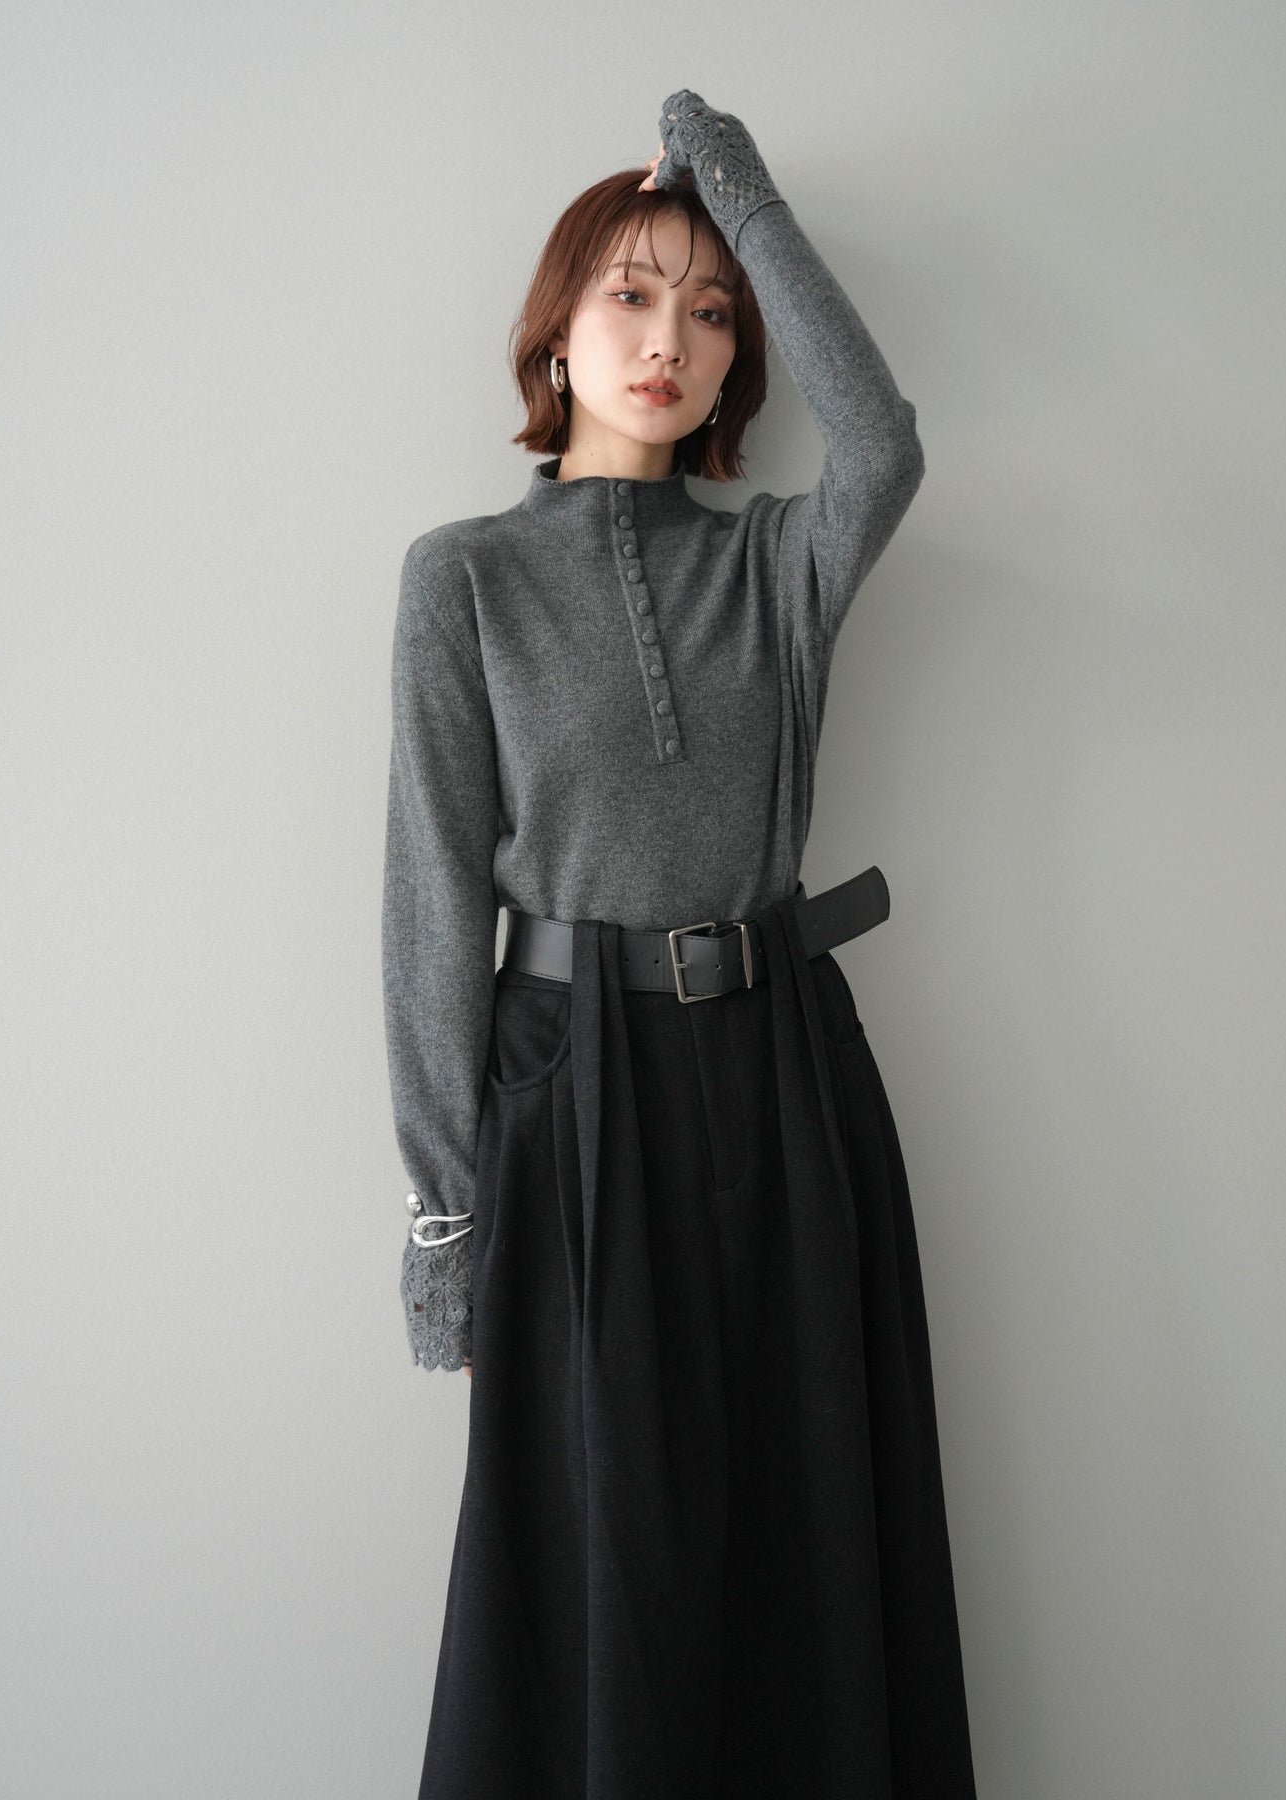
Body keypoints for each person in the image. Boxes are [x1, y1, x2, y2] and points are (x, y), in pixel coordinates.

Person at [382, 86, 978, 1800]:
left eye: (711, 313)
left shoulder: (779, 566)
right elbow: (432, 895)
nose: (669, 340)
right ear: (554, 335)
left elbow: (883, 448)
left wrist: (738, 188)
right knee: (604, 1553)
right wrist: (442, 1212)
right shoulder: (463, 579)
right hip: (571, 1088)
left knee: (808, 1530)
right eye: (631, 295)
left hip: (786, 1074)